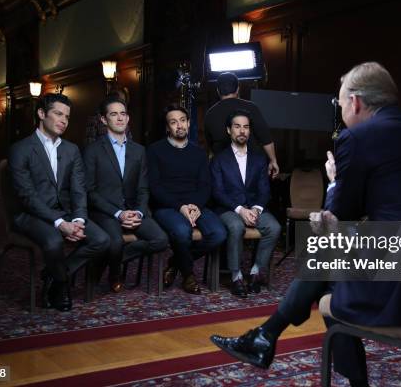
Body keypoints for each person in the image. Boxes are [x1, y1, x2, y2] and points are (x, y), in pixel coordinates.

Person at [210, 62, 401, 386]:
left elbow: (336, 219)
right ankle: (266, 337)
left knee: (326, 258)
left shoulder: (358, 137)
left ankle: (268, 336)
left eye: (340, 105)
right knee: (332, 262)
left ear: (354, 103)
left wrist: (334, 182)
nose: (341, 112)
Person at [8, 93, 110, 312]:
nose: (63, 120)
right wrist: (59, 223)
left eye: (67, 116)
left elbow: (78, 189)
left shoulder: (71, 150)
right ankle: (62, 285)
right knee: (54, 241)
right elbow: (27, 196)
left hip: (65, 212)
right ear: (41, 114)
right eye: (58, 114)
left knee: (101, 240)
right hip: (30, 215)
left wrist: (79, 218)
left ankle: (54, 275)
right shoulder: (20, 149)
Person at [83, 95, 169, 293]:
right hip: (105, 211)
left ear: (128, 118)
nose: (120, 118)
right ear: (104, 120)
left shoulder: (139, 151)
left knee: (160, 240)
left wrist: (138, 212)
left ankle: (112, 261)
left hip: (132, 209)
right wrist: (117, 213)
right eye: (114, 114)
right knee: (115, 241)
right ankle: (115, 275)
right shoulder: (92, 151)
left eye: (123, 114)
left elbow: (143, 188)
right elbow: (90, 191)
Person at [147, 103, 227, 294]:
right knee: (183, 233)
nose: (179, 125)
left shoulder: (199, 153)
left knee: (219, 234)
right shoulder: (154, 150)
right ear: (168, 127)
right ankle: (188, 275)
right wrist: (180, 207)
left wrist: (195, 206)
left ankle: (175, 262)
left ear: (189, 123)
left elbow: (205, 185)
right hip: (167, 206)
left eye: (183, 121)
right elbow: (154, 187)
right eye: (173, 122)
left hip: (195, 205)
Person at [210, 111, 281, 298]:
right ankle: (236, 276)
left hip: (254, 207)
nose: (242, 131)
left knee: (274, 227)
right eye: (237, 126)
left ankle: (255, 271)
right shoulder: (219, 159)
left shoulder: (259, 158)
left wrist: (256, 209)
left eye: (246, 127)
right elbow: (218, 192)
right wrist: (241, 210)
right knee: (235, 226)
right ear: (228, 130)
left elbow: (265, 190)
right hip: (228, 208)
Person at [205, 72, 279, 178]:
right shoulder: (251, 108)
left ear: (218, 90)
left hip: (224, 170)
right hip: (251, 168)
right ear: (238, 89)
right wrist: (273, 160)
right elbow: (266, 138)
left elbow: (211, 146)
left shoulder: (209, 114)